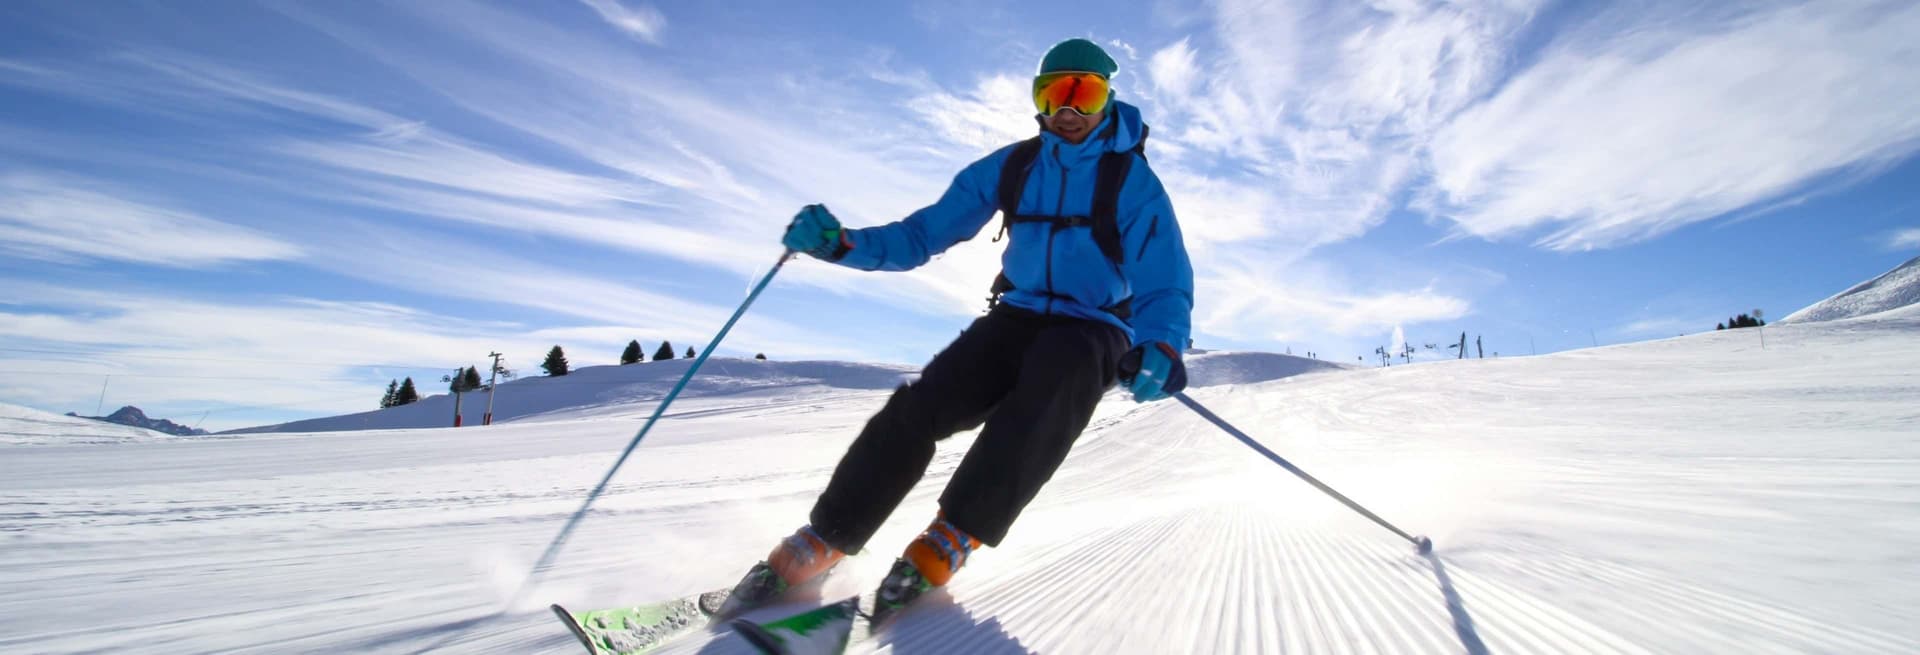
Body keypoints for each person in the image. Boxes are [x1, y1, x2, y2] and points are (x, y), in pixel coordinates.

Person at [723, 38, 1194, 620]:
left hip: (1093, 327)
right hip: (1018, 315)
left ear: (1108, 100)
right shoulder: (1013, 166)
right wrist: (840, 245)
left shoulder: (1133, 182)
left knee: (1049, 390)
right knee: (919, 407)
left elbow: (1164, 278)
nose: (1068, 109)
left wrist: (1162, 343)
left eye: (1085, 92)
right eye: (1054, 94)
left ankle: (950, 538)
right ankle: (826, 537)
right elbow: (921, 235)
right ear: (1038, 101)